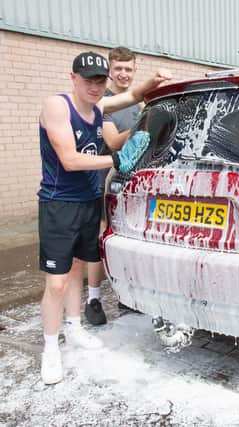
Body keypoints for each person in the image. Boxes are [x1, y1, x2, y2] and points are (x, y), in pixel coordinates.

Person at [38, 50, 171, 385]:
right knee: (56, 281)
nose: (95, 87)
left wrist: (154, 82)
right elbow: (69, 159)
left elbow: (132, 96)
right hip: (59, 203)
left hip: (88, 200)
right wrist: (117, 159)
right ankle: (50, 348)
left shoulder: (97, 107)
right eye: (88, 80)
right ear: (73, 78)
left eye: (99, 81)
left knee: (79, 268)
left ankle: (74, 327)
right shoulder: (58, 106)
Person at [85, 46, 140, 325]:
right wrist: (145, 123)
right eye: (118, 68)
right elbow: (115, 142)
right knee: (102, 238)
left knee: (126, 240)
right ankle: (93, 300)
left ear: (134, 71)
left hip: (128, 184)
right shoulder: (102, 103)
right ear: (110, 71)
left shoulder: (136, 104)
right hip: (101, 182)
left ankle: (125, 294)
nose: (123, 74)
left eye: (128, 69)